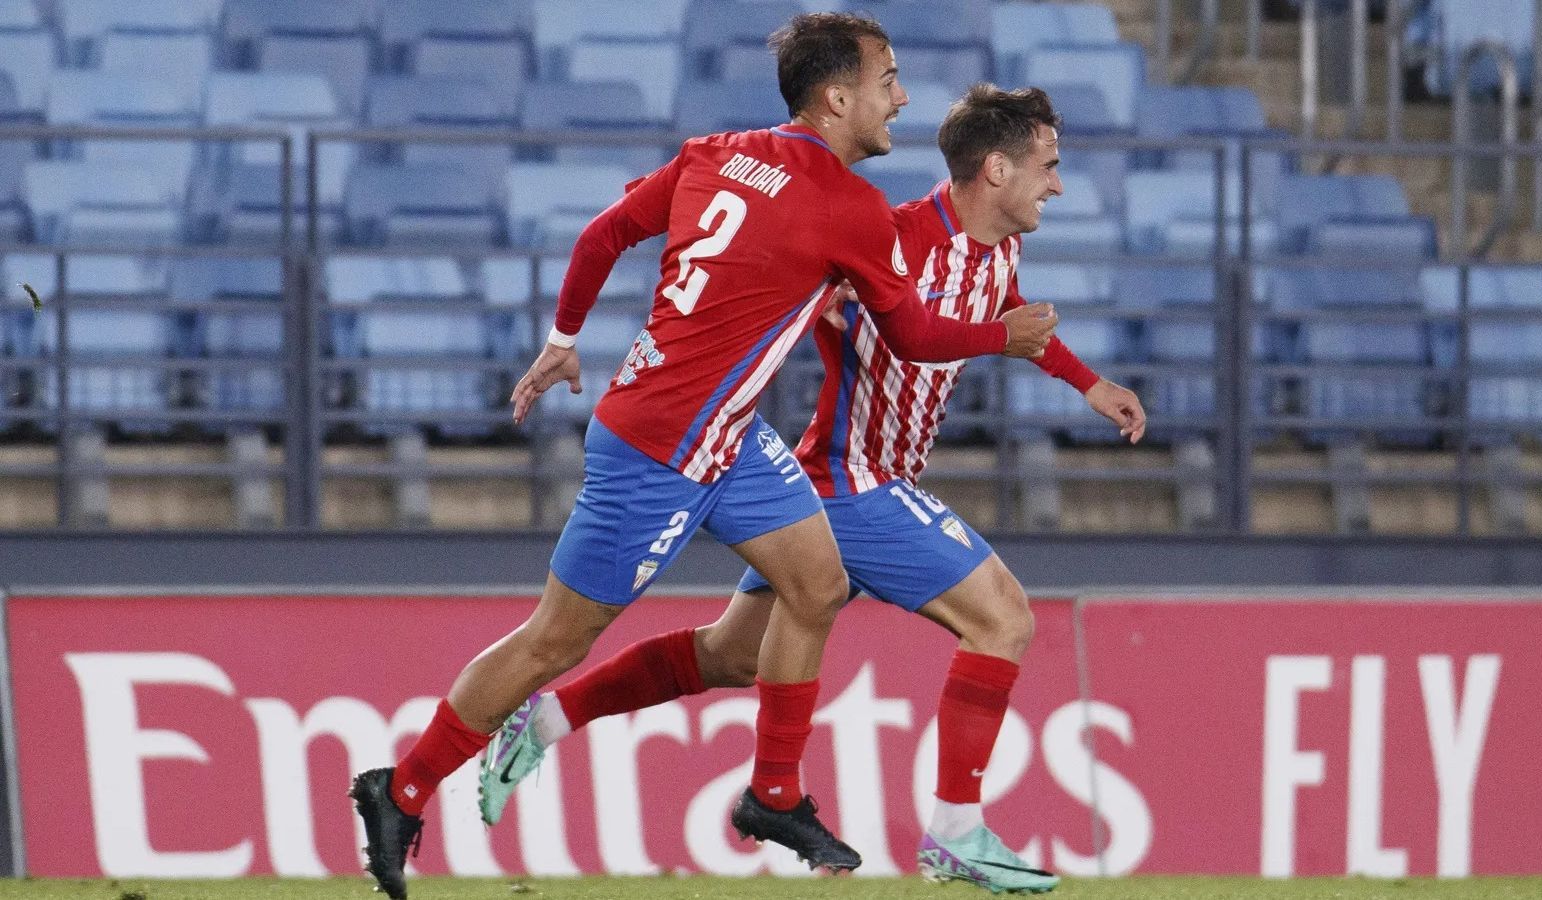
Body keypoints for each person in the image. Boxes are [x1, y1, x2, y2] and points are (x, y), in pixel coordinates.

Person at [348, 13, 1059, 899]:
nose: (900, 97)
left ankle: (774, 792)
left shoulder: (714, 151)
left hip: (729, 436)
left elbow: (600, 235)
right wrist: (1004, 336)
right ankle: (402, 786)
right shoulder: (850, 207)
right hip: (662, 447)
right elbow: (910, 335)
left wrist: (566, 338)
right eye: (887, 80)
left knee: (817, 583)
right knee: (552, 642)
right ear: (837, 99)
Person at [477, 84, 1147, 893]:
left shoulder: (997, 247)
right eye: (1049, 166)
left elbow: (1005, 313)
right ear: (996, 169)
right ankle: (955, 834)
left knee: (729, 658)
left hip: (822, 489)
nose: (1058, 185)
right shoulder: (891, 239)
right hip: (855, 480)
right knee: (1003, 618)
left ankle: (541, 722)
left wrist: (1086, 381)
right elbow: (820, 296)